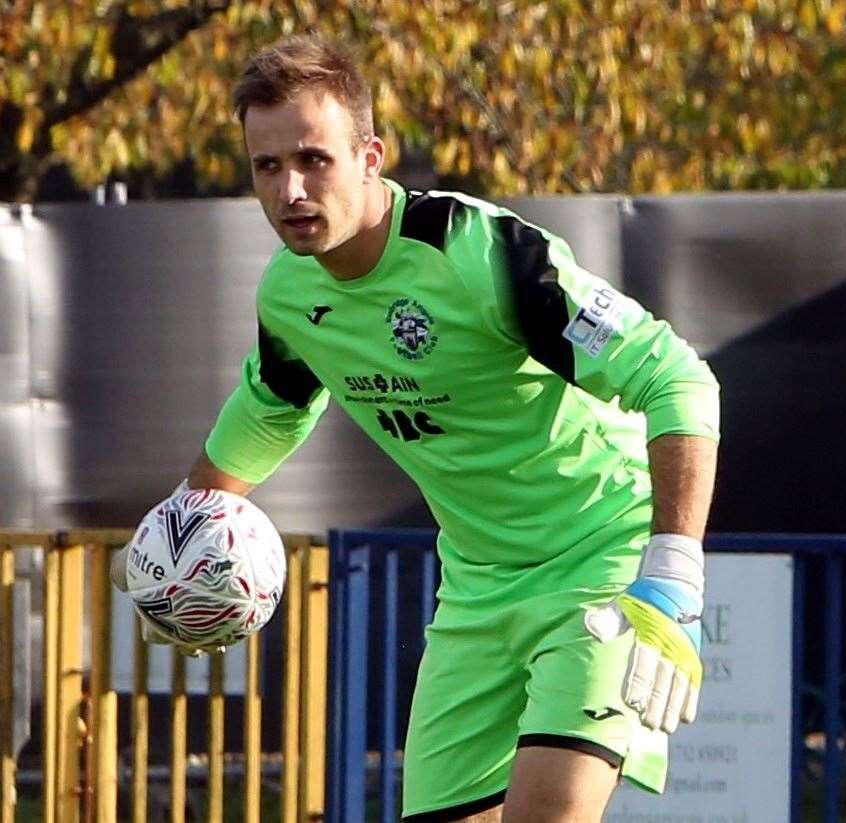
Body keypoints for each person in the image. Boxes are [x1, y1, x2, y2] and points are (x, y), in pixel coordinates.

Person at [113, 35, 719, 823]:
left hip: (596, 570)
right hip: (474, 594)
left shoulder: (478, 254)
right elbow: (268, 412)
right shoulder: (291, 295)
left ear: (370, 155)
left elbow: (676, 378)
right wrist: (170, 556)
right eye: (267, 166)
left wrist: (671, 573)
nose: (290, 189)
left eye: (313, 159)